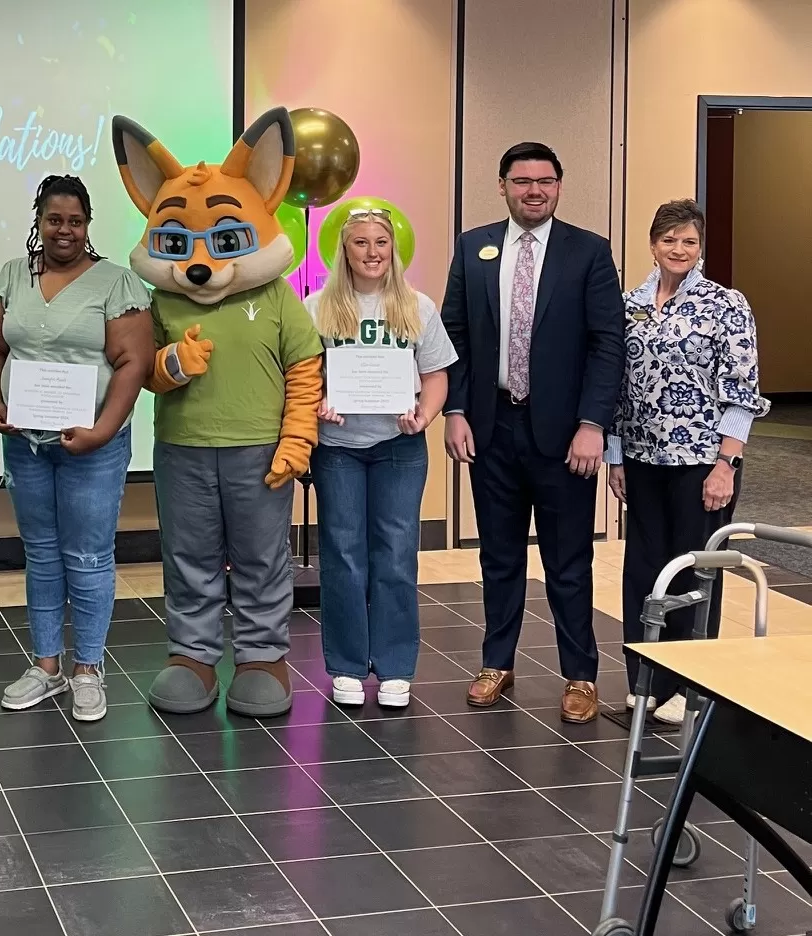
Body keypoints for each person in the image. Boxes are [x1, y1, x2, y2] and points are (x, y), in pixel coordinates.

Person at [114, 107, 323, 718]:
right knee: (190, 556)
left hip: (259, 450)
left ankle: (261, 656)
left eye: (224, 240)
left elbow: (304, 373)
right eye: (180, 243)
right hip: (183, 446)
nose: (200, 261)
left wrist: (297, 440)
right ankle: (193, 656)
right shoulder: (160, 302)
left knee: (262, 557)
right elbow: (144, 370)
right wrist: (173, 365)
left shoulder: (277, 295)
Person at [441, 141, 624, 725]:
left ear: (559, 187)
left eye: (545, 180)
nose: (534, 190)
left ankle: (580, 675)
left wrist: (593, 424)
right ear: (503, 186)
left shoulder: (589, 252)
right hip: (492, 426)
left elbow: (607, 344)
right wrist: (456, 412)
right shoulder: (473, 248)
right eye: (522, 181)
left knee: (568, 561)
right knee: (498, 557)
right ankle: (497, 662)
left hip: (567, 434)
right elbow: (456, 337)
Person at [0, 175, 153, 722]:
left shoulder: (116, 283)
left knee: (89, 555)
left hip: (93, 446)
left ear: (87, 225)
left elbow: (133, 364)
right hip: (28, 444)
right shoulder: (14, 276)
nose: (65, 230)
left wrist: (101, 431)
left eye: (75, 221)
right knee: (42, 553)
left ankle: (88, 669)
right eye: (55, 219)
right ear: (39, 220)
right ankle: (48, 667)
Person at [605, 198, 768, 725]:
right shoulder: (628, 304)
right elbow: (615, 387)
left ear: (700, 248)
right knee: (644, 571)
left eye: (689, 241)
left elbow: (742, 389)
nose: (679, 249)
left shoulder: (725, 304)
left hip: (703, 461)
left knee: (696, 570)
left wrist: (728, 463)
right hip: (642, 458)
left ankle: (690, 685)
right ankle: (645, 678)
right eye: (669, 239)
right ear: (652, 245)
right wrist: (615, 455)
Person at [309, 209, 456, 708]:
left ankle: (395, 667)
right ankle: (347, 666)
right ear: (344, 250)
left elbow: (436, 375)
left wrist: (426, 414)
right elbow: (305, 378)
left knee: (396, 555)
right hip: (338, 450)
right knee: (344, 556)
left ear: (393, 249)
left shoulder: (418, 307)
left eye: (380, 243)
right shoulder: (317, 308)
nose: (372, 253)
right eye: (360, 243)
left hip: (400, 446)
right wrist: (319, 401)